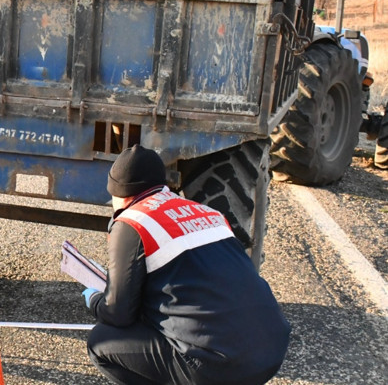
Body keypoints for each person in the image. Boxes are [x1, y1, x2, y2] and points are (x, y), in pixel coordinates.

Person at [83, 145, 291, 385]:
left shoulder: (132, 221)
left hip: (217, 368)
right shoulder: (208, 213)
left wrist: (95, 300)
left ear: (119, 194)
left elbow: (118, 313)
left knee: (102, 341)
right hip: (270, 353)